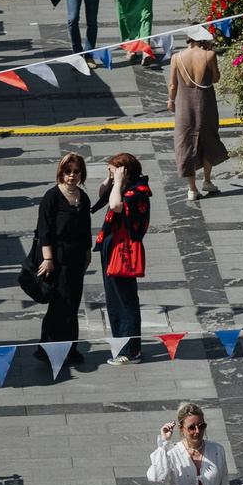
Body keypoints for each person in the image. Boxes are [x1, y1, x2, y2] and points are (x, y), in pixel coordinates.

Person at [31, 152, 95, 347]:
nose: (72, 175)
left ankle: (70, 347)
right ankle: (50, 348)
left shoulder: (82, 197)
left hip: (76, 258)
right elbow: (45, 230)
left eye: (76, 171)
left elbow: (85, 228)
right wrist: (48, 259)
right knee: (60, 304)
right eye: (68, 171)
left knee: (73, 303)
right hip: (58, 259)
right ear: (61, 173)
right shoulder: (52, 197)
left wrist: (87, 254)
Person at [96, 151, 150, 361]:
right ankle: (124, 345)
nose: (111, 174)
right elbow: (103, 195)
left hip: (123, 251)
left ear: (126, 173)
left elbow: (115, 205)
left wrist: (118, 182)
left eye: (114, 170)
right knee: (115, 299)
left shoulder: (136, 192)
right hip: (114, 246)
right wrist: (111, 180)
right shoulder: (124, 188)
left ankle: (129, 350)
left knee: (124, 299)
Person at [168, 26, 227, 199]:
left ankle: (192, 189)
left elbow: (173, 86)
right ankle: (207, 180)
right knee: (208, 138)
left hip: (184, 106)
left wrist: (171, 101)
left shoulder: (176, 57)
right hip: (205, 104)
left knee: (185, 142)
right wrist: (210, 52)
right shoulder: (209, 55)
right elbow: (216, 78)